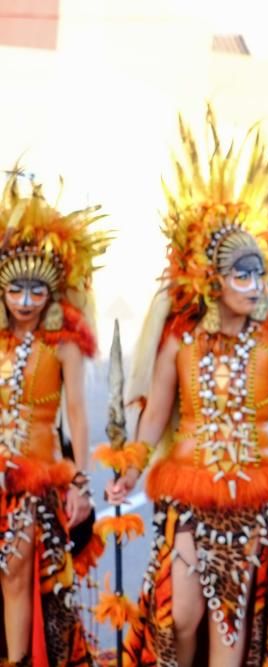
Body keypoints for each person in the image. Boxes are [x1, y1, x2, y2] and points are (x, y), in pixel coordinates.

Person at [105, 111, 268, 667]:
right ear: (212, 282)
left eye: (259, 275)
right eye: (241, 276)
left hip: (253, 496)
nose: (254, 287)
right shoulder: (180, 340)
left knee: (232, 622)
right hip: (187, 495)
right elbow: (155, 416)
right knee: (181, 616)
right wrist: (131, 465)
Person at [0, 171, 108, 666]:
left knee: (16, 572)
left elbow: (78, 419)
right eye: (15, 291)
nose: (25, 302)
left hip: (36, 483)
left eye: (35, 292)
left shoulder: (62, 345)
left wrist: (80, 484)